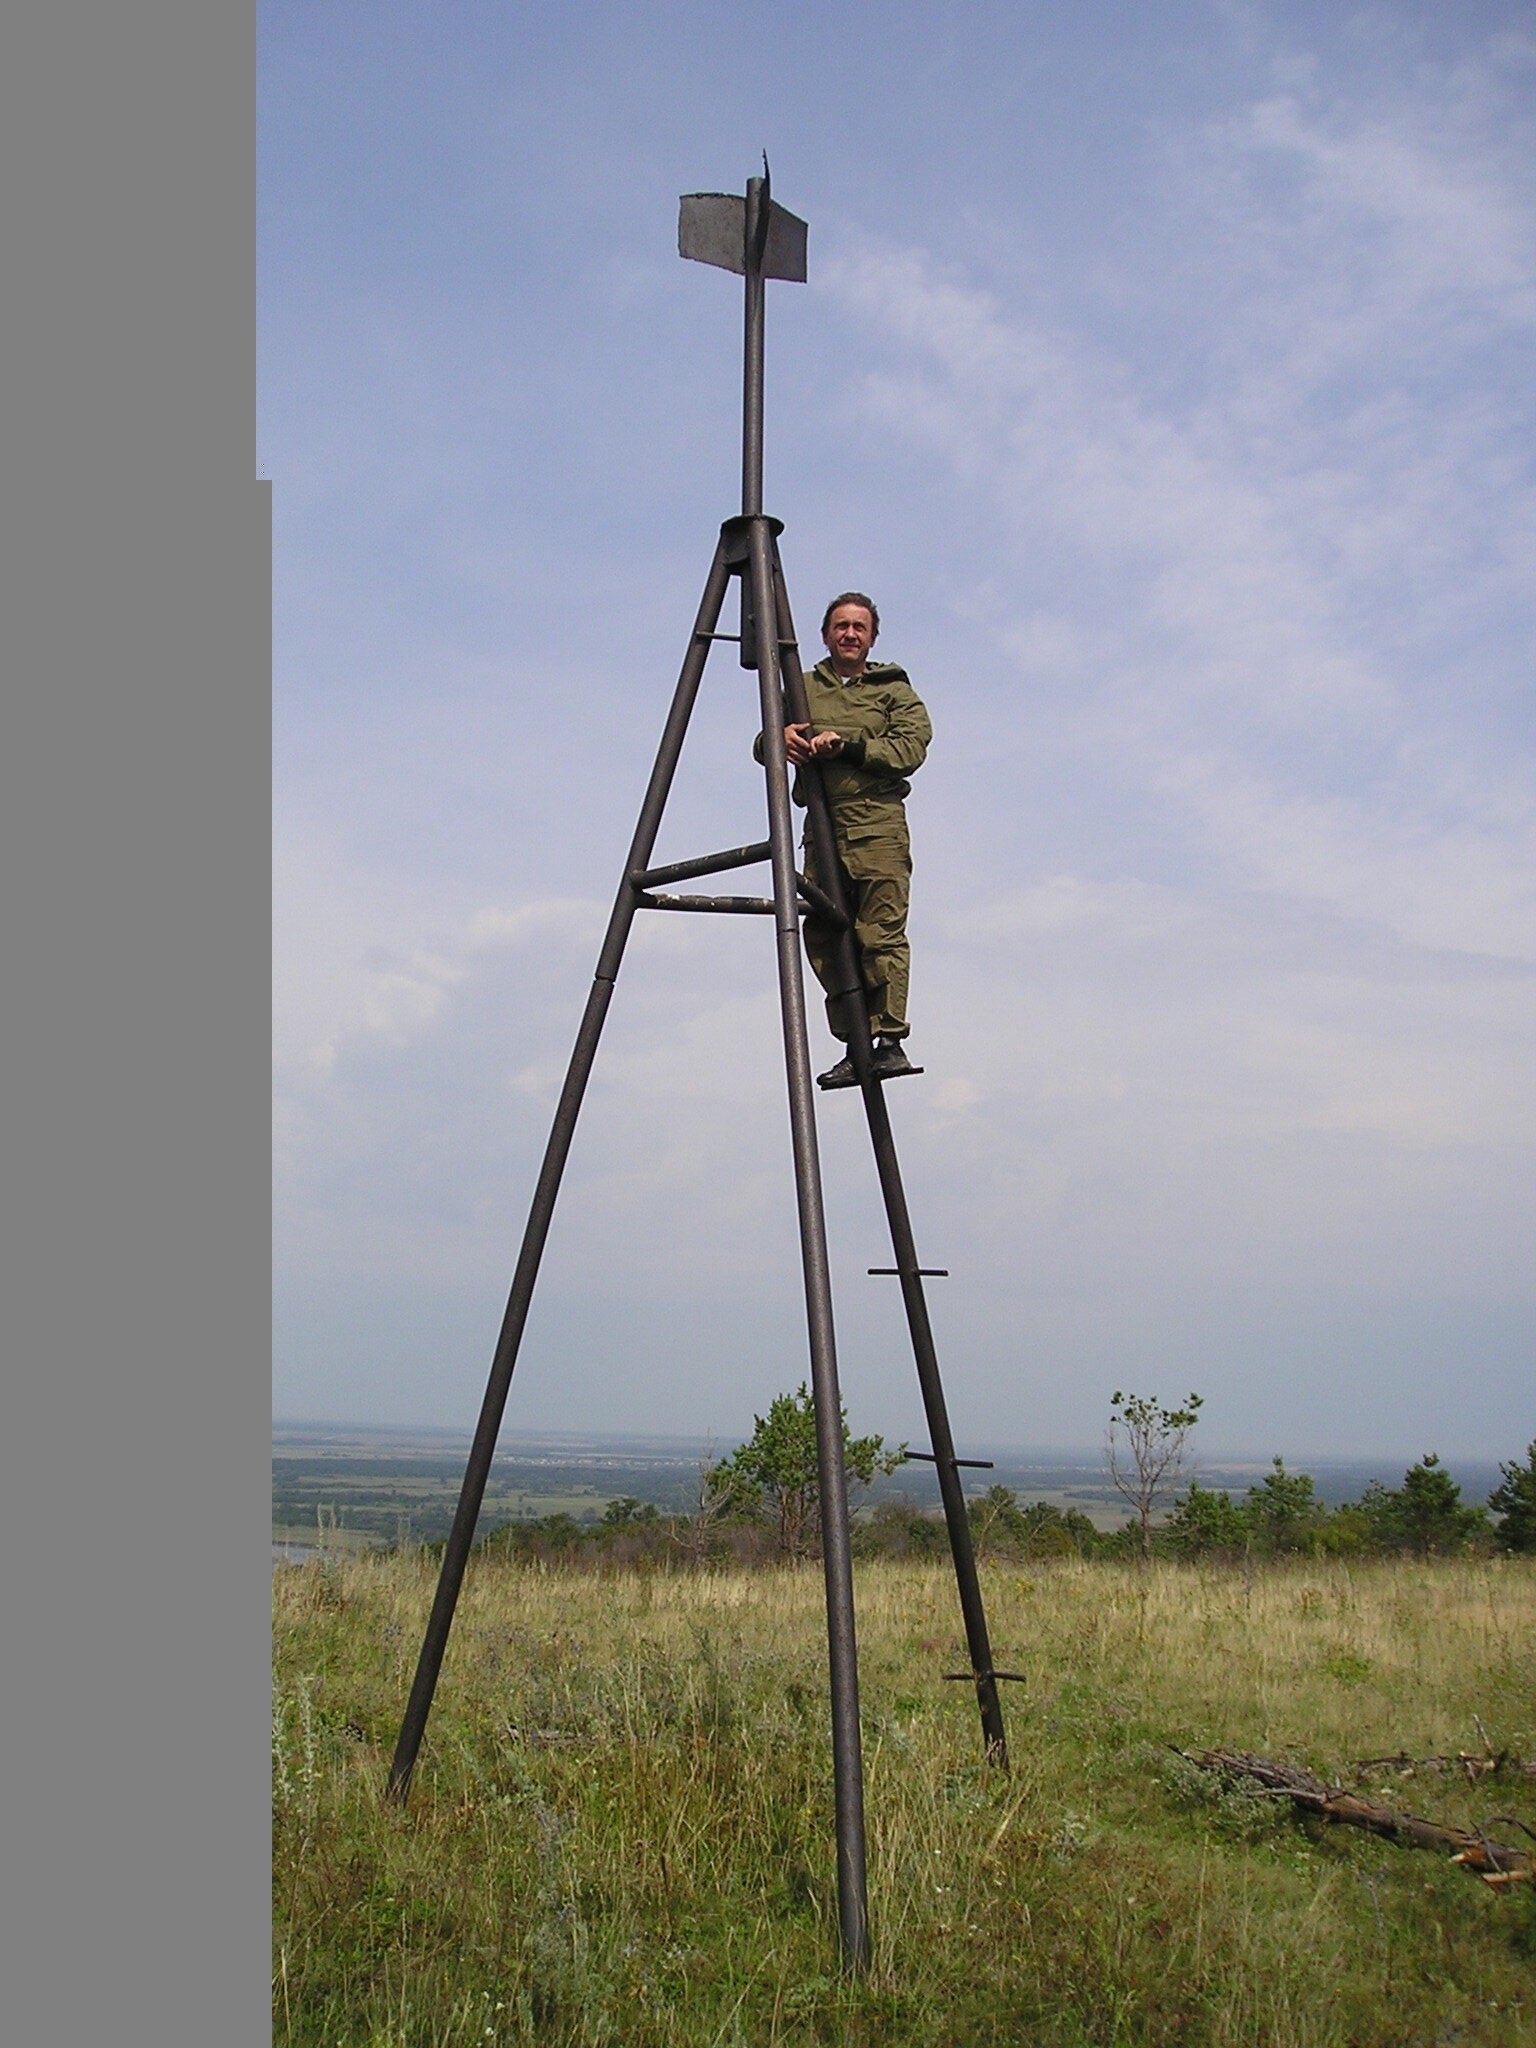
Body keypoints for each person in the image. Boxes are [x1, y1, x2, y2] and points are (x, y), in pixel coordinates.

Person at [761, 592, 932, 1089]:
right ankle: (854, 1043)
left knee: (878, 933)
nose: (850, 634)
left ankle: (888, 1041)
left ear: (872, 637)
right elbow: (762, 738)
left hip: (876, 826)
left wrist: (849, 743)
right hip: (822, 827)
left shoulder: (892, 689)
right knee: (824, 935)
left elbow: (911, 746)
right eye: (841, 626)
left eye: (859, 627)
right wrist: (780, 740)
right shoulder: (803, 686)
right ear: (826, 634)